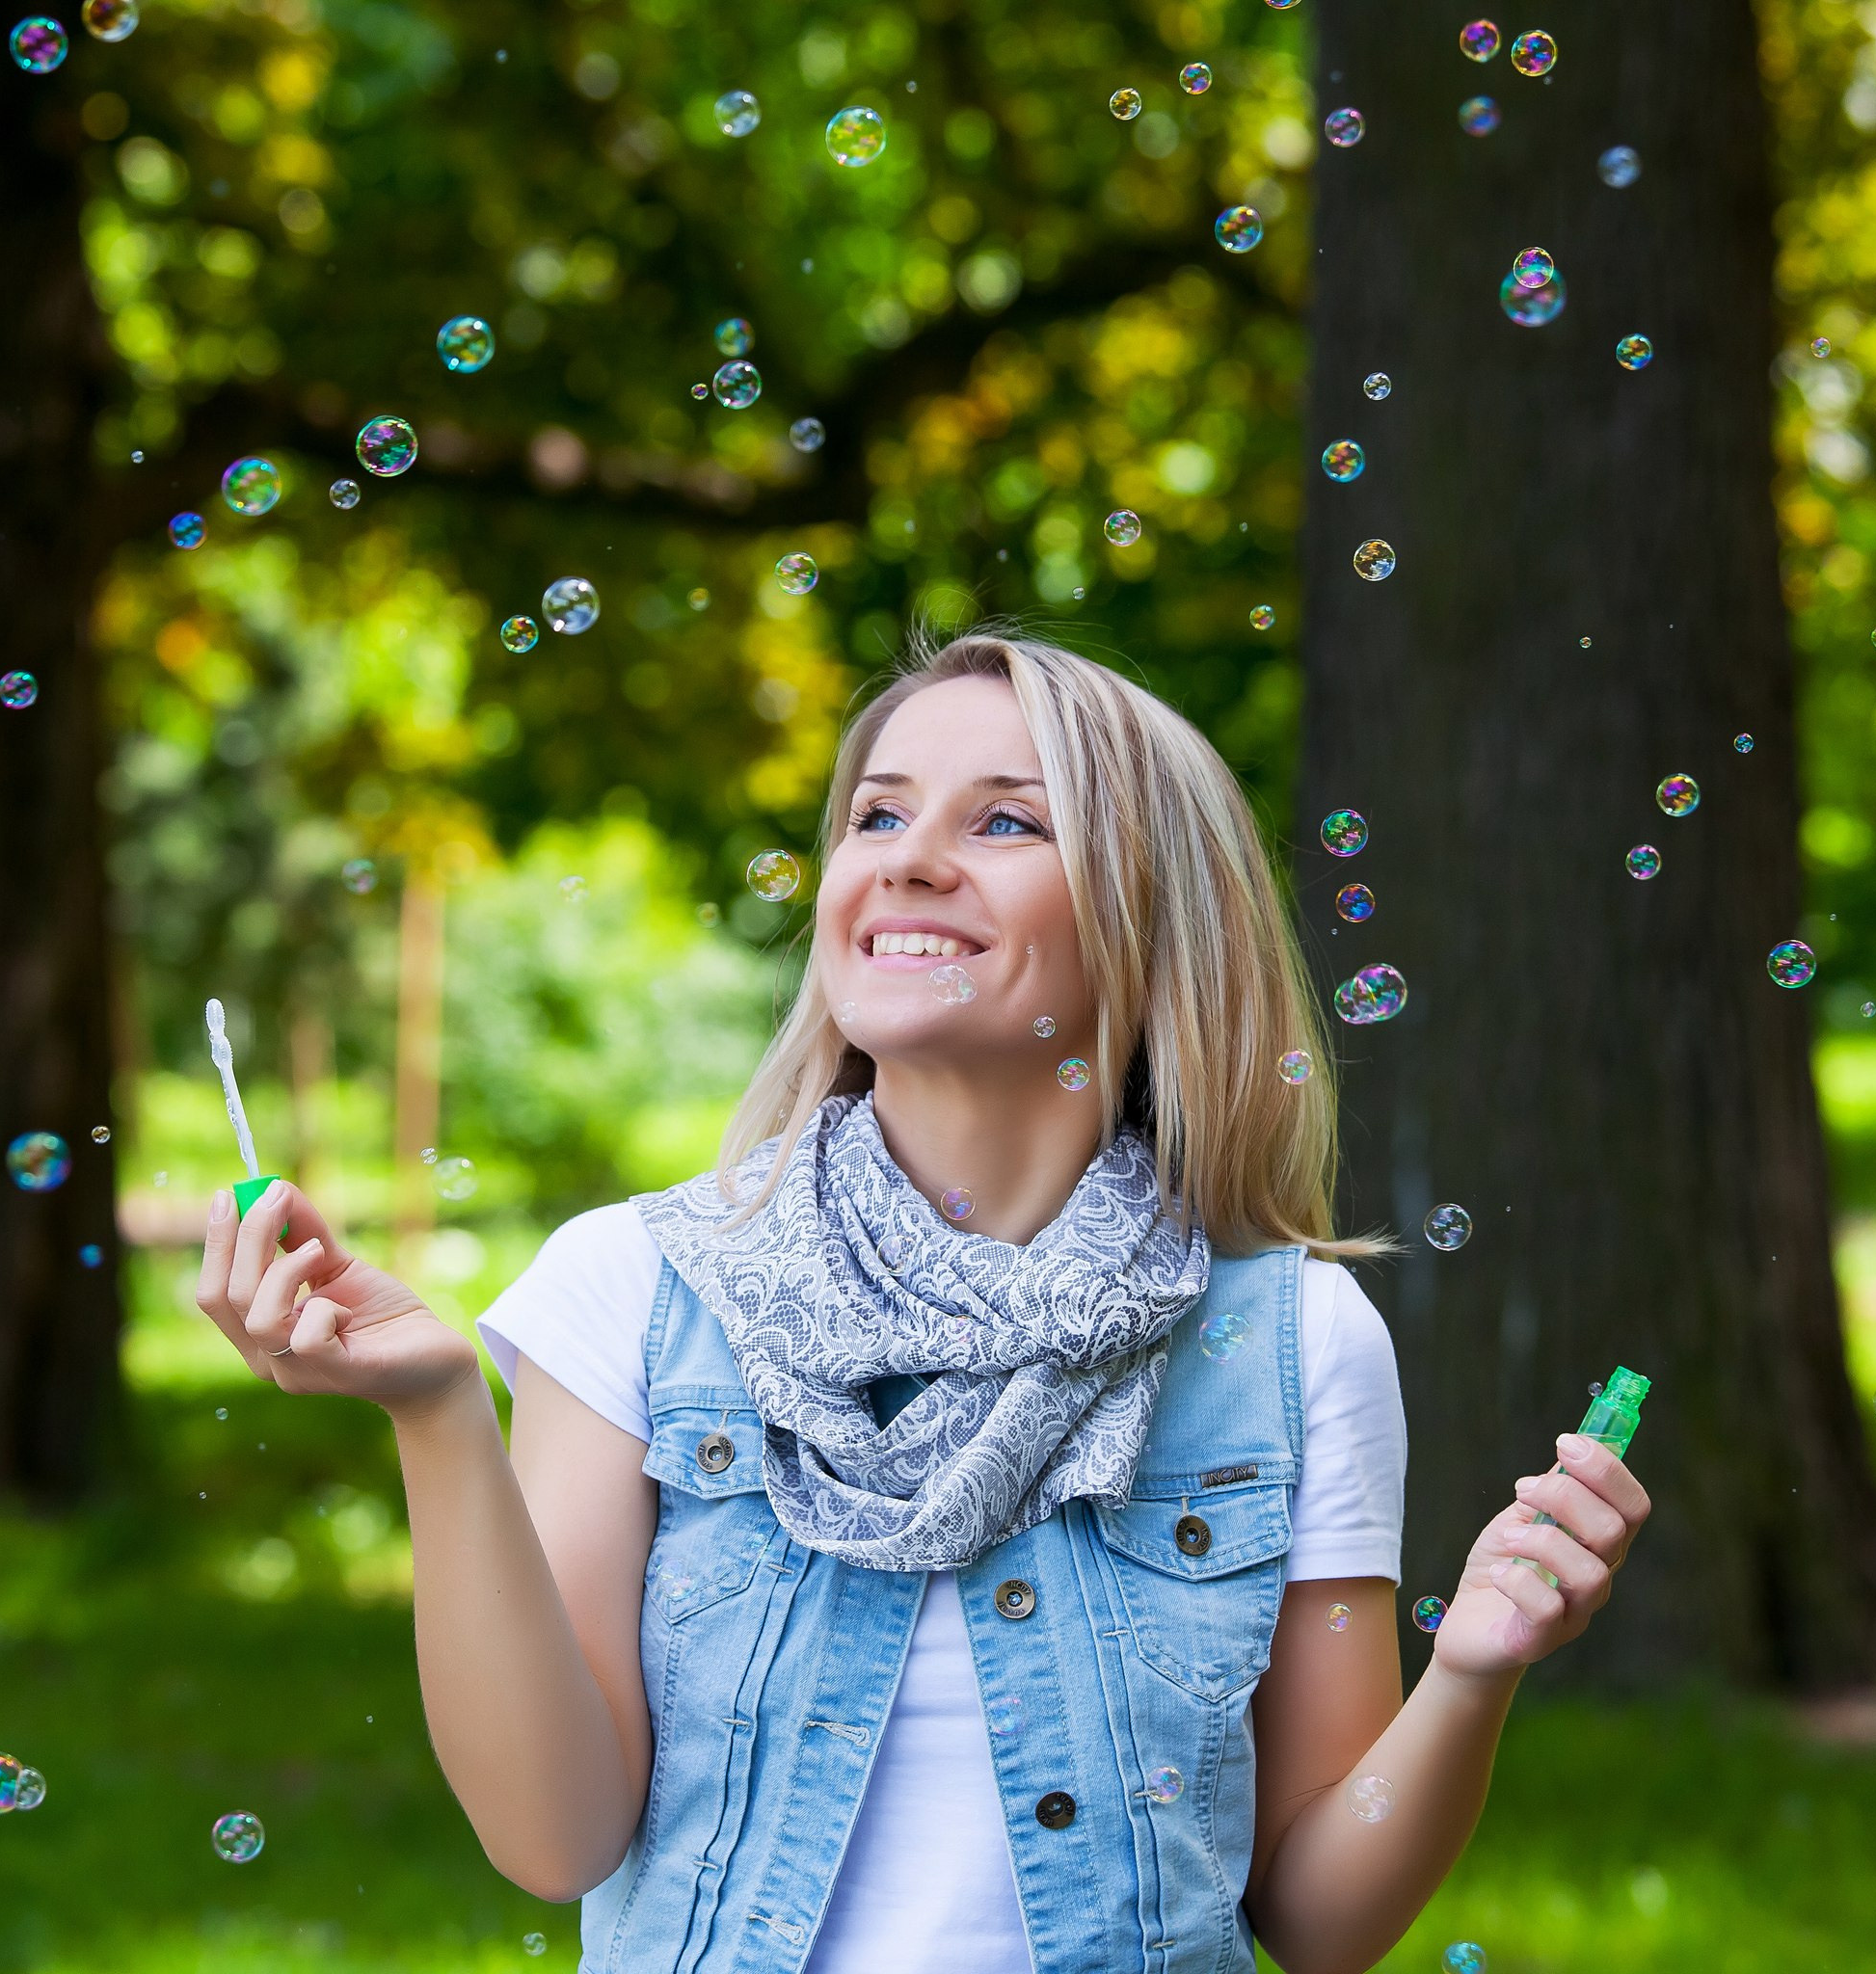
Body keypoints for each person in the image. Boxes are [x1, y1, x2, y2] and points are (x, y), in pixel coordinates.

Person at [196, 629, 1649, 1974]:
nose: (909, 861)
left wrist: (1471, 1677)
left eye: (1006, 821)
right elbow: (553, 1838)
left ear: (1151, 925)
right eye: (877, 816)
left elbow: (1317, 1920)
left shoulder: (1287, 1342)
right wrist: (441, 1414)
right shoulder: (638, 1289)